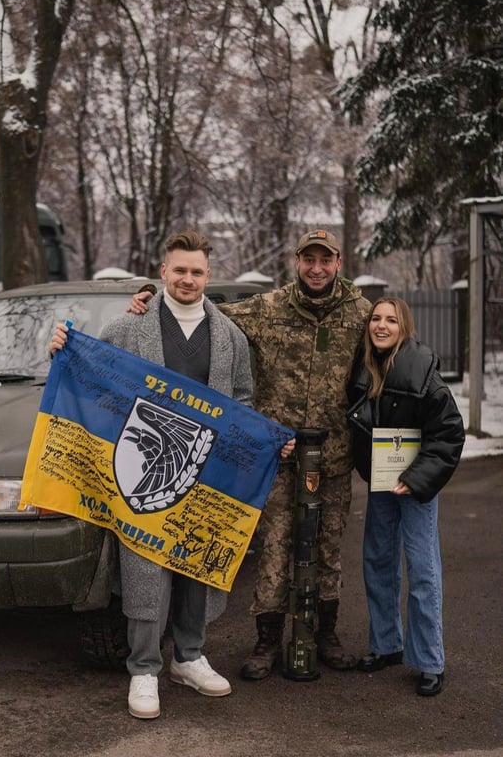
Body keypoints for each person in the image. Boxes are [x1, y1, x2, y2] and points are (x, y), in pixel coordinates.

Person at [50, 230, 295, 720]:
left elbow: (242, 403)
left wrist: (268, 440)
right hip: (141, 472)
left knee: (194, 564)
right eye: (179, 270)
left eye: (197, 271)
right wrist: (61, 348)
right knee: (144, 569)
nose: (187, 278)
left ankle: (188, 657)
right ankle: (143, 668)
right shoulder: (128, 328)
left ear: (208, 275)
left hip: (204, 474)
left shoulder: (229, 337)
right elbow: (92, 379)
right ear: (162, 272)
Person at [129, 229, 371, 680]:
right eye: (308, 259)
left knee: (329, 550)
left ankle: (326, 635)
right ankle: (266, 641)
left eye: (326, 259)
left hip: (334, 455)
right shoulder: (267, 308)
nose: (316, 268)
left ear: (338, 263)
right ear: (296, 262)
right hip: (275, 455)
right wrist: (147, 293)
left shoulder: (361, 313)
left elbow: (392, 341)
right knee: (274, 549)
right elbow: (199, 310)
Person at [346, 297, 465, 697]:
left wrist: (416, 480)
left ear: (404, 327)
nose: (381, 326)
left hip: (415, 488)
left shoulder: (423, 372)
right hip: (381, 483)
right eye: (376, 319)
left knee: (422, 570)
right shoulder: (362, 368)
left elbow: (449, 432)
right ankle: (385, 645)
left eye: (391, 320)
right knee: (377, 562)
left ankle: (430, 661)